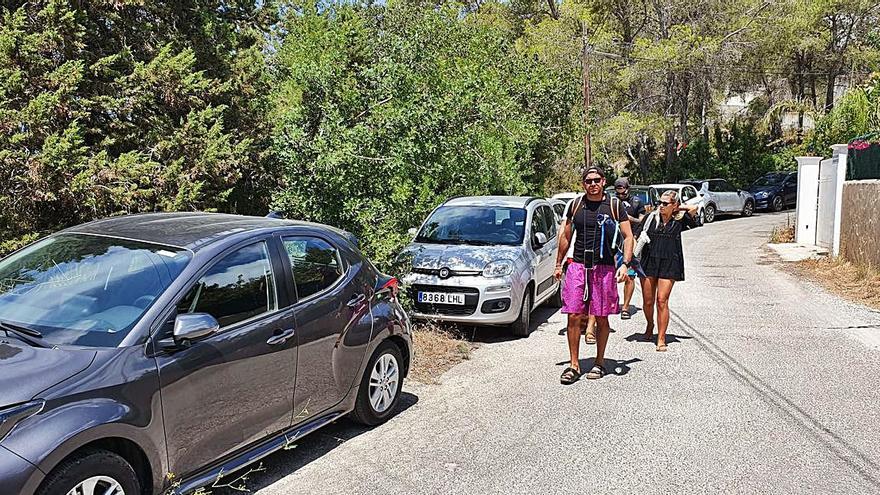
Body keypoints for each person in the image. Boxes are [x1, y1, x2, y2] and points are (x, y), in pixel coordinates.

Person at [554, 167, 634, 384]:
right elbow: (566, 235)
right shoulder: (576, 205)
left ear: (603, 181)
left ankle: (599, 362)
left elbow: (628, 237)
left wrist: (625, 264)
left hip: (604, 267)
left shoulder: (614, 206)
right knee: (572, 315)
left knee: (601, 317)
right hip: (579, 265)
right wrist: (558, 263)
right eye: (588, 181)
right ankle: (573, 365)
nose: (593, 184)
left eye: (596, 180)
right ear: (583, 184)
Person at [640, 190, 698, 352]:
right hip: (649, 261)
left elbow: (694, 208)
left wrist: (679, 208)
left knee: (662, 300)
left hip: (669, 262)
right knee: (648, 301)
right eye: (660, 203)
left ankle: (661, 337)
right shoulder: (650, 218)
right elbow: (637, 234)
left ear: (674, 205)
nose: (661, 206)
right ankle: (650, 324)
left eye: (665, 204)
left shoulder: (679, 221)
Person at [612, 178, 647, 320]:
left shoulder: (637, 202)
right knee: (609, 275)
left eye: (623, 190)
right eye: (618, 191)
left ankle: (625, 307)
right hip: (614, 243)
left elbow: (643, 220)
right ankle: (612, 303)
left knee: (630, 275)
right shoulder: (612, 202)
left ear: (628, 189)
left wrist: (628, 219)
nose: (621, 194)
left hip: (632, 241)